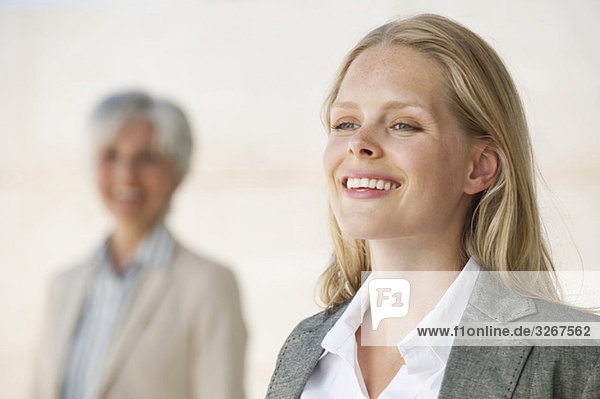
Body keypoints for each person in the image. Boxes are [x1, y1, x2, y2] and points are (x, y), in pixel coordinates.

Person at [266, 14, 600, 399]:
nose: (359, 143)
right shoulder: (303, 351)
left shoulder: (576, 360)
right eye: (345, 123)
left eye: (404, 125)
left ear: (479, 167)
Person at [32, 90, 246, 399]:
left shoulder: (209, 285)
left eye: (146, 159)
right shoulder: (62, 287)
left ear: (177, 172)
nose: (126, 175)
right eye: (111, 156)